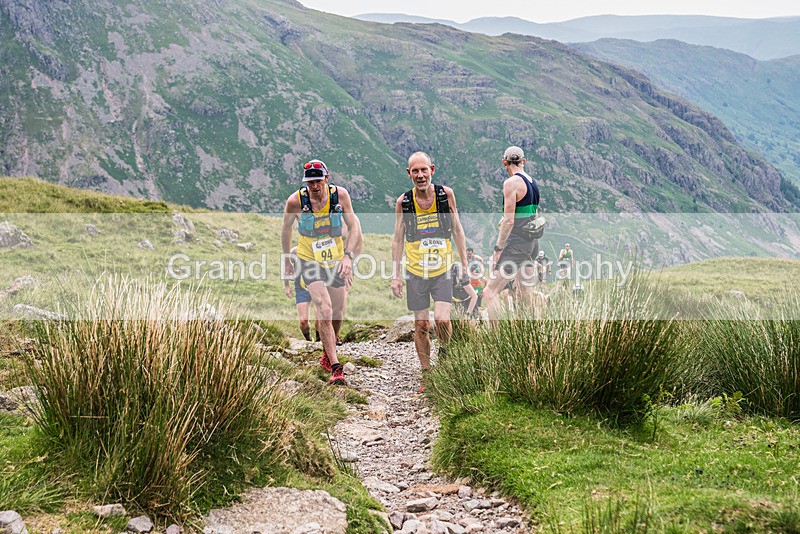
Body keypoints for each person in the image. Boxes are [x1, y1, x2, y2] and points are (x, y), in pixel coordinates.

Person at [282, 159, 362, 386]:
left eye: (318, 180)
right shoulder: (295, 201)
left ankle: (328, 351)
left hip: (335, 259)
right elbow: (286, 229)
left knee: (337, 310)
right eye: (310, 182)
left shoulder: (341, 196)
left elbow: (354, 226)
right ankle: (337, 368)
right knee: (324, 308)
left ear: (327, 179)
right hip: (309, 259)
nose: (314, 186)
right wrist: (288, 258)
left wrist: (348, 256)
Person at [391, 151, 468, 385]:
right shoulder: (404, 202)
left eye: (424, 170)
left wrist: (465, 264)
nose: (420, 175)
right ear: (409, 174)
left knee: (443, 320)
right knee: (421, 324)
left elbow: (457, 229)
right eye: (415, 171)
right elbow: (397, 239)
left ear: (432, 170)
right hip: (415, 272)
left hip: (443, 270)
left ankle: (445, 353)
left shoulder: (446, 196)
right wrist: (395, 275)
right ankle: (426, 374)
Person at [481, 146, 541, 323]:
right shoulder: (533, 183)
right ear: (523, 161)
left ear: (504, 162)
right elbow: (534, 214)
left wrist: (498, 249)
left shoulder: (511, 183)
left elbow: (509, 221)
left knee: (490, 291)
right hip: (532, 243)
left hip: (516, 244)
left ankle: (498, 340)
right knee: (524, 292)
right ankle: (527, 336)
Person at [284, 246, 317, 341]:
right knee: (303, 321)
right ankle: (308, 340)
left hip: (318, 287)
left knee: (320, 320)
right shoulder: (294, 252)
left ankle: (320, 342)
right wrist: (287, 286)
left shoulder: (319, 248)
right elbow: (287, 269)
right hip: (302, 288)